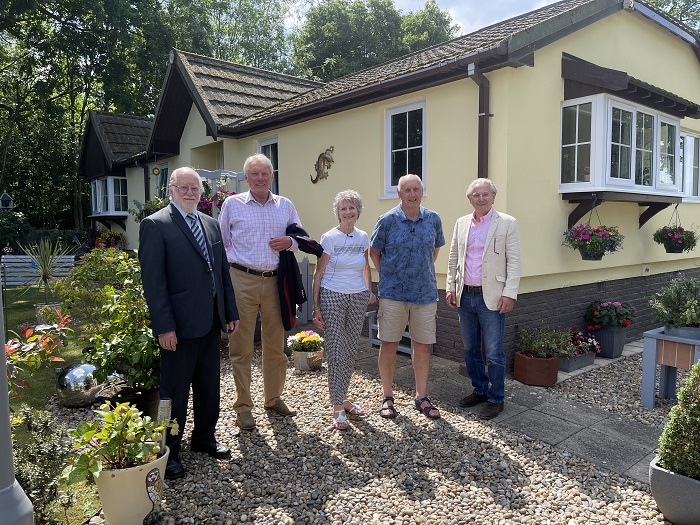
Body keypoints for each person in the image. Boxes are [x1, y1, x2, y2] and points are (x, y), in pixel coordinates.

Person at [139, 166, 240, 480]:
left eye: (195, 188)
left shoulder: (210, 224)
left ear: (202, 192)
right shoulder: (155, 225)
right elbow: (153, 283)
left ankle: (204, 438)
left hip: (209, 322)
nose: (190, 193)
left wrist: (230, 312)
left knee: (210, 386)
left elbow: (221, 273)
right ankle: (167, 452)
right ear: (171, 190)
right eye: (183, 187)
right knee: (173, 393)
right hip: (178, 328)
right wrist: (164, 326)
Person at [218, 153, 301, 430]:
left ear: (272, 177)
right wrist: (233, 268)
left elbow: (300, 238)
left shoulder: (285, 205)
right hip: (243, 279)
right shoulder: (233, 204)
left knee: (276, 345)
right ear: (246, 177)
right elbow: (221, 243)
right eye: (254, 174)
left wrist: (289, 240)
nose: (260, 178)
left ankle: (273, 397)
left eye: (265, 173)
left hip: (277, 282)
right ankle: (243, 406)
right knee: (241, 346)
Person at [369, 174, 445, 420]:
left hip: (424, 294)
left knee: (422, 346)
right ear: (399, 194)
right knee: (389, 345)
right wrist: (391, 276)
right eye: (407, 190)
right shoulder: (388, 220)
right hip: (393, 294)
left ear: (422, 192)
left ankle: (421, 396)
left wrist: (416, 274)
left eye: (416, 189)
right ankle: (387, 396)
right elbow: (375, 252)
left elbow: (434, 252)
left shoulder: (433, 219)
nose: (412, 194)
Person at [445, 178, 522, 420]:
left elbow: (515, 260)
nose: (480, 198)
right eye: (476, 195)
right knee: (470, 349)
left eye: (485, 194)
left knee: (494, 352)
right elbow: (453, 258)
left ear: (493, 196)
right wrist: (450, 287)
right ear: (469, 199)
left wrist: (509, 293)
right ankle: (479, 389)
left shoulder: (507, 223)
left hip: (493, 297)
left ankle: (496, 398)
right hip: (465, 295)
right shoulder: (461, 223)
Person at [312, 190, 376, 430]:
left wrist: (369, 291)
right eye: (343, 208)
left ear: (358, 210)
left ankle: (343, 397)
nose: (348, 212)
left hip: (357, 296)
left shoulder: (362, 237)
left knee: (350, 349)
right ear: (337, 213)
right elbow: (318, 274)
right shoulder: (329, 238)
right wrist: (316, 306)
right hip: (332, 296)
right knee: (335, 349)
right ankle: (337, 405)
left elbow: (366, 267)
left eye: (352, 207)